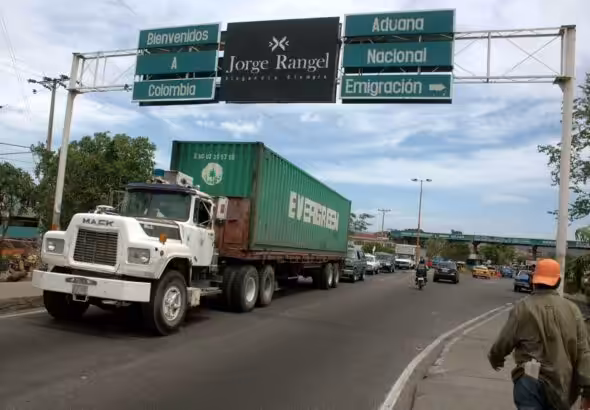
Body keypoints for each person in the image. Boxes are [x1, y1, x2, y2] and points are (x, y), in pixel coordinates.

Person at [488, 258, 590, 410]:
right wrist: (587, 390)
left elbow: (504, 342)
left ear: (534, 281)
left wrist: (496, 358)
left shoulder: (522, 308)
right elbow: (583, 352)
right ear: (558, 281)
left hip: (529, 381)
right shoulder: (572, 310)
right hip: (562, 384)